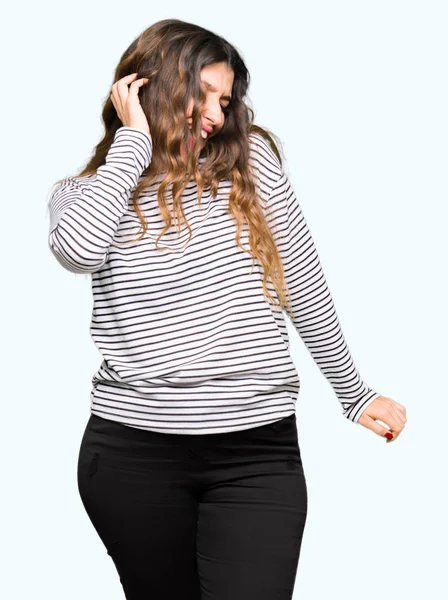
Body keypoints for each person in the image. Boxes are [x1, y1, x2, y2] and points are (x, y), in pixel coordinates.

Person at [46, 18, 406, 600]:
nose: (216, 114)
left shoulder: (250, 164)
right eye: (203, 93)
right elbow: (77, 250)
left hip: (256, 451)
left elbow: (301, 279)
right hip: (133, 455)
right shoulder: (87, 194)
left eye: (226, 99)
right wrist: (133, 144)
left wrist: (354, 392)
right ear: (147, 88)